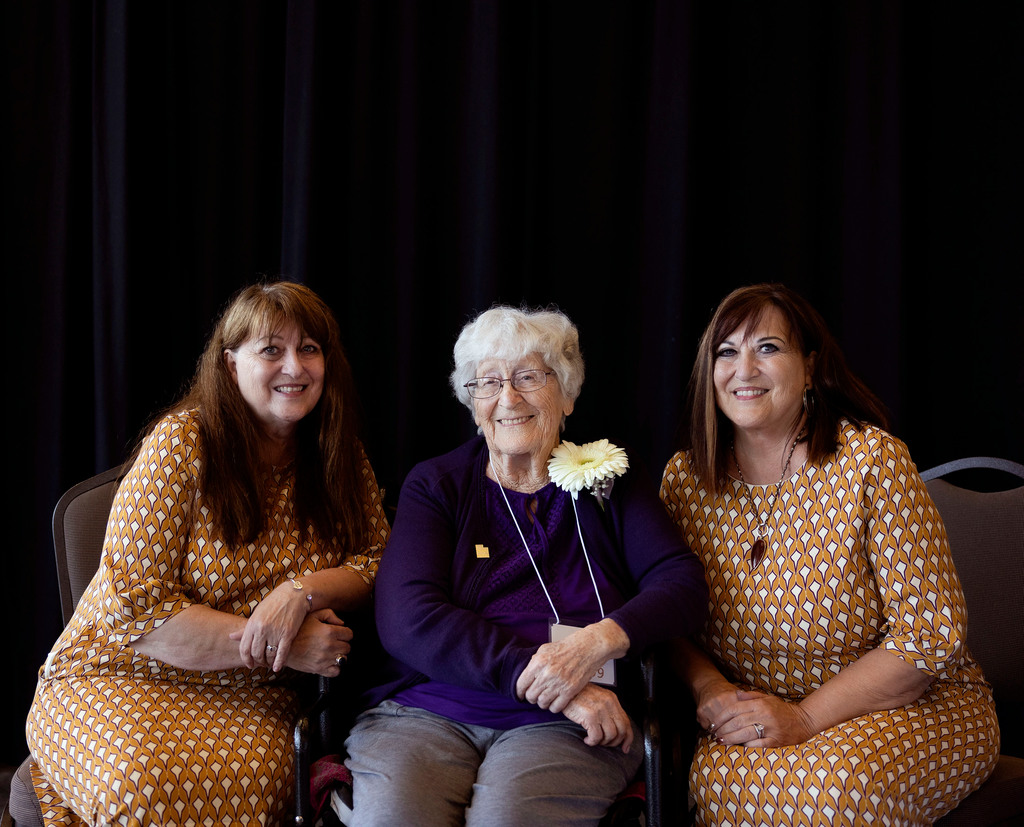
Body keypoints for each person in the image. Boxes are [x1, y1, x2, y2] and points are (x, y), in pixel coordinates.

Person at [26, 280, 391, 825]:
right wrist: (283, 646)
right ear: (230, 364)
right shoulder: (181, 443)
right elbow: (141, 612)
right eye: (271, 349)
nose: (295, 365)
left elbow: (379, 562)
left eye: (309, 348)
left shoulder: (337, 454)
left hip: (252, 699)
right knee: (141, 786)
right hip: (119, 674)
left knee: (245, 786)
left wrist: (299, 594)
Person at [342, 304, 708, 826]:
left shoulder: (610, 480)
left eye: (528, 377)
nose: (508, 398)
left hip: (570, 729)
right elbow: (408, 616)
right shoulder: (437, 485)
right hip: (429, 711)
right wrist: (547, 680)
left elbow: (683, 585)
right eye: (487, 383)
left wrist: (598, 641)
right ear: (472, 406)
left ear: (568, 394)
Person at [659, 283, 1000, 826]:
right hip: (753, 722)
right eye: (727, 351)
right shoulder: (686, 479)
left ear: (810, 367)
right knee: (723, 785)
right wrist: (713, 691)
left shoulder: (872, 462)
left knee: (835, 794)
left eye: (768, 348)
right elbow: (664, 618)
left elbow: (929, 636)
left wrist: (804, 717)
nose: (744, 368)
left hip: (909, 708)